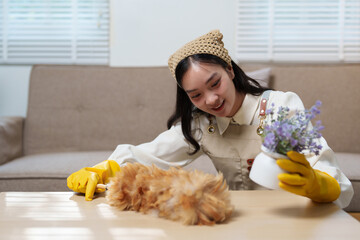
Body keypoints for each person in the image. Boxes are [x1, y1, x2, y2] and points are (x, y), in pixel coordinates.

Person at [67, 30, 353, 208]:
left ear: (229, 70)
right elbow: (149, 155)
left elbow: (333, 177)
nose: (211, 101)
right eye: (196, 95)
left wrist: (320, 184)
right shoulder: (201, 124)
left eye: (214, 83)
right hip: (234, 222)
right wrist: (103, 169)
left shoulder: (281, 107)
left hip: (293, 222)